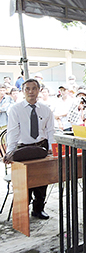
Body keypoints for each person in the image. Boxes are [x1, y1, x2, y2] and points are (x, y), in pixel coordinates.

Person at [4, 79, 54, 219]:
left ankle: (38, 209)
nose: (31, 91)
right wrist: (10, 152)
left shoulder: (46, 109)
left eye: (34, 88)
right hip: (23, 149)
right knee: (25, 183)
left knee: (42, 181)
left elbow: (50, 131)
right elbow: (12, 132)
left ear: (39, 90)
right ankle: (22, 212)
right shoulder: (15, 109)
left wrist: (51, 148)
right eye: (27, 89)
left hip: (41, 148)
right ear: (23, 91)